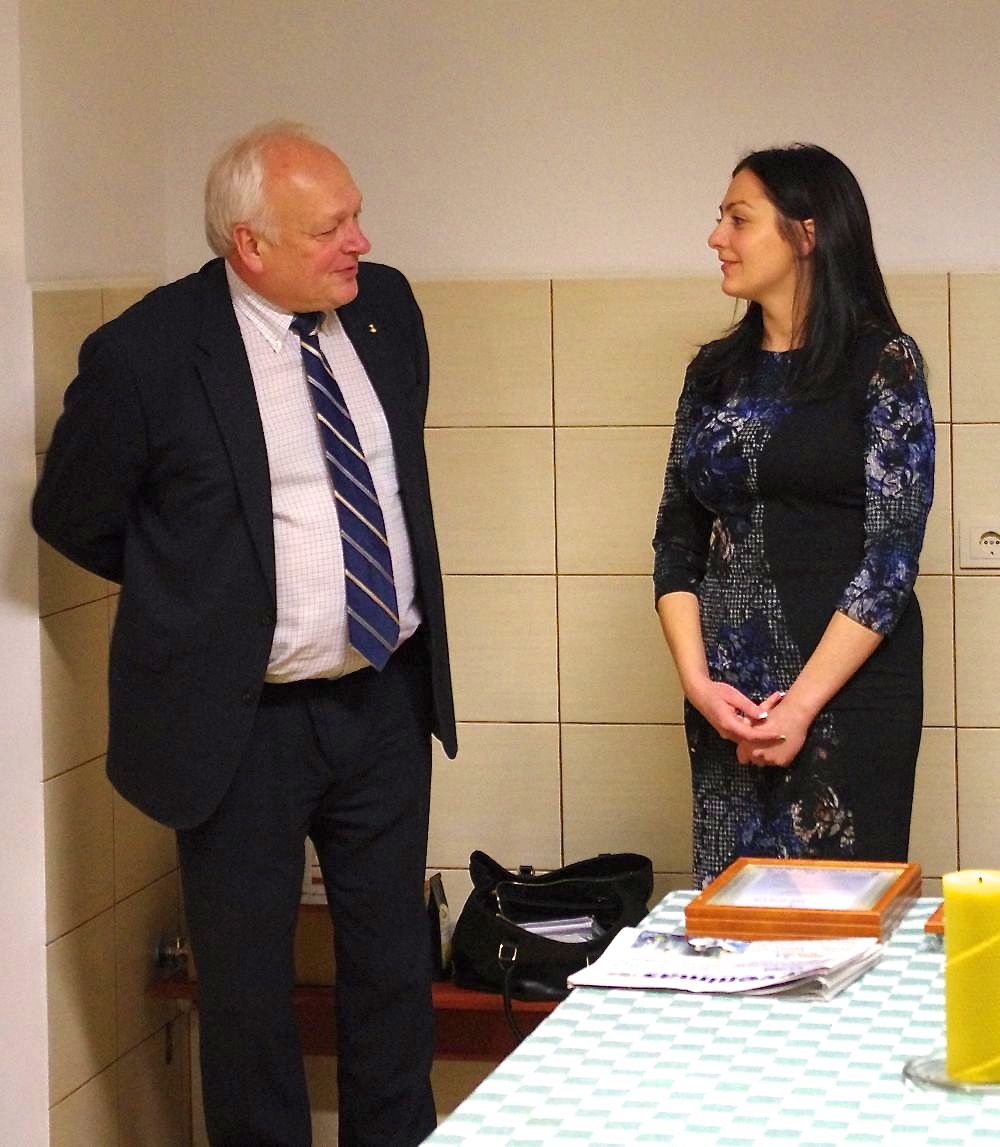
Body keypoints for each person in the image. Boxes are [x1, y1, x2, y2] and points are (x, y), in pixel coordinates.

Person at [33, 121, 456, 1147]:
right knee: (248, 997)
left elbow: (389, 477)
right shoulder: (146, 353)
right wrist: (198, 596)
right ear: (249, 244)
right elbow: (74, 512)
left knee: (393, 973)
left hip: (382, 698)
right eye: (329, 229)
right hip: (239, 724)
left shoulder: (386, 308)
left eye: (356, 217)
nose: (359, 242)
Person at [652, 144, 934, 889]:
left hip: (845, 695)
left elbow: (892, 559)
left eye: (738, 219)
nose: (717, 237)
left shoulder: (883, 362)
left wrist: (801, 706)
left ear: (807, 234)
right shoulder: (713, 373)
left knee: (836, 919)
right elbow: (676, 539)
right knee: (734, 916)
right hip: (730, 702)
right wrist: (700, 686)